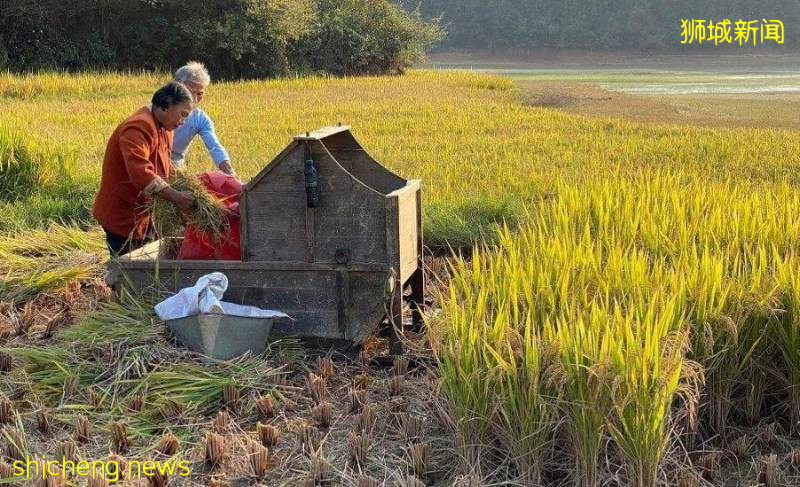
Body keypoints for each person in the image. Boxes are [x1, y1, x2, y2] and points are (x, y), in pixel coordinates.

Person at [93, 81, 196, 257]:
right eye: (182, 115)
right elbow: (140, 172)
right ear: (165, 105)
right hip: (123, 216)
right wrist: (177, 197)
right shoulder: (139, 127)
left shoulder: (165, 129)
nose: (182, 122)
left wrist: (185, 183)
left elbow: (163, 165)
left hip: (143, 214)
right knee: (126, 270)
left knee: (145, 264)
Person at [172, 61, 236, 176]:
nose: (194, 99)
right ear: (176, 87)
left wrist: (231, 174)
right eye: (190, 92)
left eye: (200, 94)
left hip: (176, 169)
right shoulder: (158, 110)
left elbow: (215, 147)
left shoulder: (200, 118)